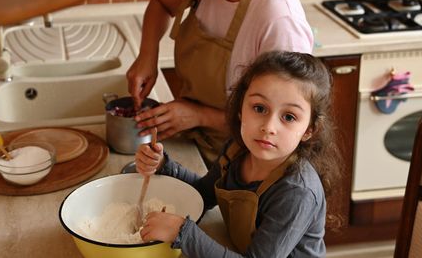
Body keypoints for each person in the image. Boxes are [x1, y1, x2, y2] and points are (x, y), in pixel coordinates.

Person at [126, 0, 314, 163]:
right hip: (200, 147)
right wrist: (147, 56)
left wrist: (199, 115)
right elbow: (161, 2)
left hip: (247, 166)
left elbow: (281, 127)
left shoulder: (279, 21)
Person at [135, 51, 342, 257]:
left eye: (288, 117)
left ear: (309, 129)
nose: (269, 127)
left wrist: (184, 234)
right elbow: (204, 194)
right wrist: (163, 165)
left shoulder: (296, 193)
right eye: (259, 108)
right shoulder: (236, 151)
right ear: (241, 108)